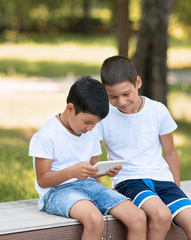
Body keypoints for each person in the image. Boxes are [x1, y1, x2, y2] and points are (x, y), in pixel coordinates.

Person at [98, 56, 191, 240]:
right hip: (129, 180)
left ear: (138, 82)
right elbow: (92, 158)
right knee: (161, 214)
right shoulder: (103, 117)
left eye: (126, 94)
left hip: (163, 180)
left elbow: (170, 153)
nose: (122, 102)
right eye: (113, 97)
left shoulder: (158, 110)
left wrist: (177, 189)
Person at [29, 76, 146, 240]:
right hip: (56, 192)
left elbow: (92, 169)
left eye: (95, 124)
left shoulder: (91, 131)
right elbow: (42, 179)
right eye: (87, 122)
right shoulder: (47, 135)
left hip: (89, 186)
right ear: (70, 108)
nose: (90, 128)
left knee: (138, 217)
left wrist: (104, 171)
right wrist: (72, 172)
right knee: (94, 219)